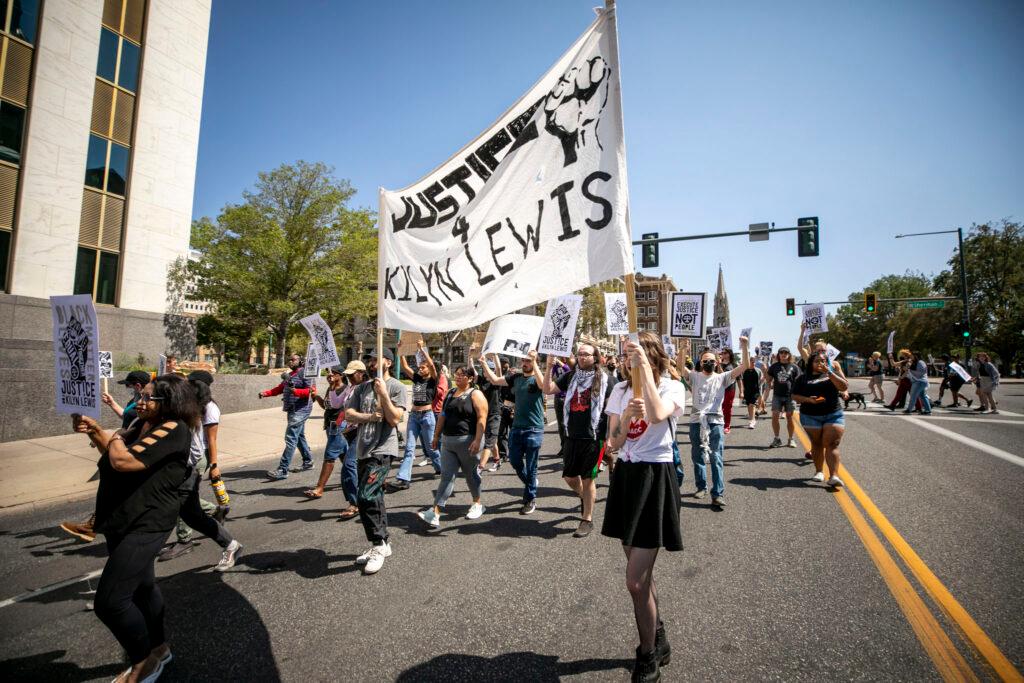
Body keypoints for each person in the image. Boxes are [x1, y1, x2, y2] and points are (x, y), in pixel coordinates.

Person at [71, 374, 199, 683]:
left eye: (147, 398)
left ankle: (144, 662)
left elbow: (123, 461)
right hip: (123, 518)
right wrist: (95, 430)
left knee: (110, 602)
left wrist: (114, 436)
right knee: (143, 588)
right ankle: (159, 648)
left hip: (148, 522)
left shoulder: (173, 428)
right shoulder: (141, 425)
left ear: (168, 403)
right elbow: (111, 451)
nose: (140, 401)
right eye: (141, 395)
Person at [601, 332, 686, 682]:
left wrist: (646, 381)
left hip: (655, 478)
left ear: (651, 358)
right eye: (624, 356)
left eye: (632, 356)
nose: (625, 361)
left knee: (635, 583)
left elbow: (657, 413)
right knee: (642, 577)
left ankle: (647, 655)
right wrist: (623, 420)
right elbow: (613, 443)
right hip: (627, 477)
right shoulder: (619, 391)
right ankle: (658, 633)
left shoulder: (672, 387)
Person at [159, 373, 242, 569]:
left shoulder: (207, 408)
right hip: (183, 461)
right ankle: (216, 516)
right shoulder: (185, 407)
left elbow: (209, 440)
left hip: (193, 461)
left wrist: (214, 465)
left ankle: (186, 540)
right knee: (186, 508)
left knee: (186, 508)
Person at [60, 370, 151, 543]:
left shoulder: (151, 415)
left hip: (130, 452)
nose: (140, 402)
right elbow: (127, 417)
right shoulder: (137, 407)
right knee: (111, 483)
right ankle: (95, 525)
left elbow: (124, 452)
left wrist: (110, 437)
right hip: (123, 446)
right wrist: (96, 430)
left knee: (181, 502)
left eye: (129, 386)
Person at [344, 349, 407, 574]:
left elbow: (395, 418)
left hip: (383, 449)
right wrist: (369, 417)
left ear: (388, 362)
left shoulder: (396, 387)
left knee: (366, 495)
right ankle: (384, 542)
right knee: (372, 497)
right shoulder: (361, 388)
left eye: (376, 359)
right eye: (369, 359)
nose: (371, 363)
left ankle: (378, 545)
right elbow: (348, 414)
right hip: (363, 448)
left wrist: (384, 395)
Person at [542, 343, 613, 538]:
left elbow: (613, 411)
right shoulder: (570, 376)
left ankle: (587, 519)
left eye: (587, 355)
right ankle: (586, 498)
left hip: (593, 437)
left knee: (588, 478)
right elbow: (548, 389)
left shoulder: (606, 380)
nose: (582, 357)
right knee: (569, 477)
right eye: (580, 354)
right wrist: (548, 366)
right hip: (571, 435)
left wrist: (610, 437)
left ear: (595, 358)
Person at [417, 365, 488, 528]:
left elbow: (482, 419)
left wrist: (477, 440)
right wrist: (436, 436)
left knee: (471, 475)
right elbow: (443, 415)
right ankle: (435, 512)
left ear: (470, 378)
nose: (457, 377)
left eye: (462, 375)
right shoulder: (450, 393)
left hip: (468, 442)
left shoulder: (475, 394)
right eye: (456, 374)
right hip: (448, 442)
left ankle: (477, 503)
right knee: (447, 476)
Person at [480, 350, 545, 515]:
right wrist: (482, 363)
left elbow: (544, 385)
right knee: (515, 462)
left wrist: (535, 361)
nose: (525, 363)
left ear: (535, 362)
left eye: (529, 361)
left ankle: (530, 498)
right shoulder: (515, 378)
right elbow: (495, 380)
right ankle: (531, 484)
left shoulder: (537, 378)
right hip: (517, 428)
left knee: (531, 467)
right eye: (524, 360)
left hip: (534, 429)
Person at [688, 338, 751, 506]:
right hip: (696, 421)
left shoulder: (723, 377)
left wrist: (744, 346)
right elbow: (679, 368)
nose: (708, 363)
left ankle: (718, 493)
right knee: (697, 456)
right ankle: (701, 487)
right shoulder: (694, 377)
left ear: (716, 363)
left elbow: (744, 365)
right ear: (700, 363)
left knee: (716, 456)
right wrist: (683, 348)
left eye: (711, 361)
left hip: (716, 421)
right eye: (705, 361)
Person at [390, 340, 443, 491]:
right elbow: (405, 367)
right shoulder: (417, 378)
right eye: (420, 367)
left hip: (427, 417)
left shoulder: (433, 380)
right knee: (409, 448)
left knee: (431, 448)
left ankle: (441, 468)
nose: (420, 369)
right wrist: (400, 351)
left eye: (423, 367)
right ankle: (403, 479)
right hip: (414, 416)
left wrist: (422, 350)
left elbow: (432, 366)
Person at [792, 350, 849, 487]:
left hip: (833, 413)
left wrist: (829, 372)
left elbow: (844, 386)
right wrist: (808, 400)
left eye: (823, 361)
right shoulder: (802, 378)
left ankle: (834, 476)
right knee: (817, 444)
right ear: (811, 363)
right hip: (810, 416)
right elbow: (794, 396)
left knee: (832, 443)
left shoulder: (831, 375)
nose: (820, 363)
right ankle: (819, 471)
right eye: (816, 361)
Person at [262, 353, 315, 480]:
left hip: (301, 410)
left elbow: (311, 390)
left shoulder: (305, 373)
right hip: (292, 410)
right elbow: (280, 388)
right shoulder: (290, 375)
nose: (290, 362)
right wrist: (266, 393)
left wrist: (295, 391)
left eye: (293, 360)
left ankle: (283, 469)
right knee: (299, 436)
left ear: (300, 361)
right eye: (289, 360)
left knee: (290, 438)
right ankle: (308, 462)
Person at [304, 365, 353, 501]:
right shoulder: (330, 388)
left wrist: (338, 424)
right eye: (328, 373)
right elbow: (326, 406)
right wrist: (317, 397)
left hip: (339, 425)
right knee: (345, 456)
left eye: (334, 373)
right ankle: (361, 478)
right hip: (329, 426)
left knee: (330, 455)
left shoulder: (346, 389)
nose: (330, 375)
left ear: (341, 375)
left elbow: (344, 408)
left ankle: (319, 488)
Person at [469, 352, 503, 476]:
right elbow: (472, 369)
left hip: (495, 415)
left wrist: (495, 356)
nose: (486, 371)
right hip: (483, 415)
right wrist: (470, 356)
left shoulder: (497, 382)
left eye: (489, 369)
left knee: (488, 442)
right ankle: (497, 460)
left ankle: (480, 467)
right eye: (484, 369)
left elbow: (499, 368)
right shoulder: (481, 380)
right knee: (492, 440)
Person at [767, 347, 801, 448]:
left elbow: (799, 381)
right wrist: (767, 375)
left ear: (789, 354)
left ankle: (791, 439)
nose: (783, 354)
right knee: (775, 416)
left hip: (790, 396)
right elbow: (768, 379)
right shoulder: (774, 366)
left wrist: (798, 395)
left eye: (786, 352)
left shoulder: (794, 367)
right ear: (779, 355)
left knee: (789, 417)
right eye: (781, 352)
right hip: (777, 395)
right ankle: (777, 439)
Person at [549, 356, 572, 456]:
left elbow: (568, 370)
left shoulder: (570, 365)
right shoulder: (556, 366)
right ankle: (563, 446)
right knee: (561, 424)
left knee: (569, 424)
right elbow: (551, 377)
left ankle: (569, 446)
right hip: (558, 397)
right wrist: (551, 366)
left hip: (568, 397)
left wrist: (559, 362)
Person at [902, 351, 933, 415]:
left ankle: (909, 410)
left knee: (913, 396)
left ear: (916, 356)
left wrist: (909, 369)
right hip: (919, 381)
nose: (911, 357)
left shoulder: (920, 362)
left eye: (912, 355)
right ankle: (928, 411)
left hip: (919, 381)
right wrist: (909, 367)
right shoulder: (916, 362)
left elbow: (921, 372)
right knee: (922, 396)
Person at [718, 348, 738, 433]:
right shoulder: (717, 364)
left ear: (729, 354)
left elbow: (738, 379)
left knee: (727, 408)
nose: (723, 354)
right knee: (718, 407)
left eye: (725, 353)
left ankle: (727, 425)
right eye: (722, 353)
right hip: (718, 389)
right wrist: (718, 365)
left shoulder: (733, 365)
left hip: (729, 389)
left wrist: (741, 391)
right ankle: (719, 424)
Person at [741, 357, 762, 429]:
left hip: (755, 391)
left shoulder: (758, 370)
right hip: (747, 391)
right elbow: (742, 381)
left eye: (754, 362)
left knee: (752, 405)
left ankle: (752, 421)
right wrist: (742, 391)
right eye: (751, 362)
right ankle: (752, 419)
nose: (753, 363)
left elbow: (761, 380)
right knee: (749, 406)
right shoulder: (744, 370)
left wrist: (760, 387)